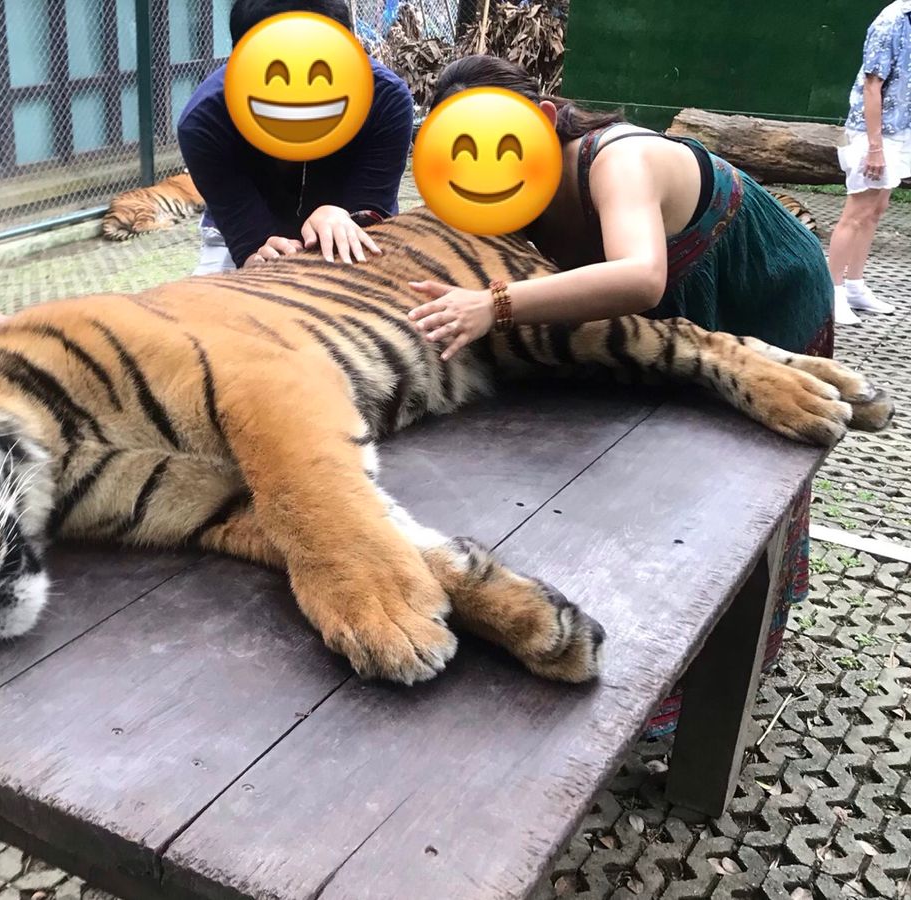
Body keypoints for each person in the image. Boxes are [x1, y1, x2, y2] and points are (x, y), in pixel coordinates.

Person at [407, 55, 834, 738]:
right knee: (669, 474)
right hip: (674, 320)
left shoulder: (616, 159)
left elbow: (639, 278)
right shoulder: (490, 190)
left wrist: (496, 304)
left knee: (751, 475)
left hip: (759, 281)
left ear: (545, 118)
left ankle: (741, 656)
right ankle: (662, 658)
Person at [177, 0, 414, 273]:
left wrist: (347, 217)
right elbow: (249, 246)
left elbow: (370, 221)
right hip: (239, 233)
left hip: (343, 221)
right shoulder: (205, 121)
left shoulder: (385, 99)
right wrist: (255, 254)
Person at [826, 1, 908, 324]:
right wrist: (875, 148)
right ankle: (830, 292)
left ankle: (855, 286)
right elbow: (872, 86)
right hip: (872, 133)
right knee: (856, 212)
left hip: (900, 130)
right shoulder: (890, 22)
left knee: (877, 207)